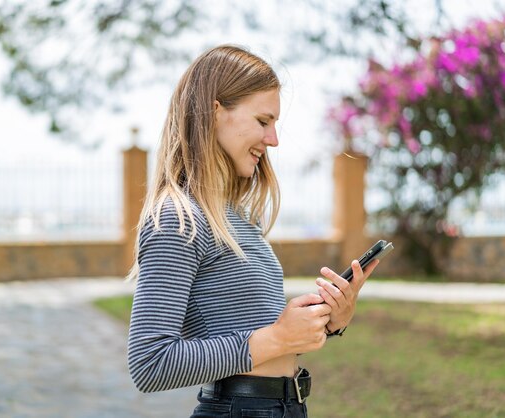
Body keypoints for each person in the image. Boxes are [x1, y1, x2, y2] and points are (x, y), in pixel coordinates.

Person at [127, 45, 379, 418]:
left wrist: (328, 322)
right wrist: (277, 337)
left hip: (282, 406)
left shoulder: (237, 218)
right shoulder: (177, 220)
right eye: (263, 121)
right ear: (216, 113)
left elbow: (257, 335)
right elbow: (149, 363)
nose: (273, 139)